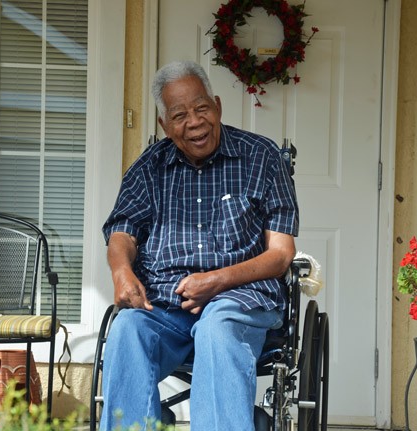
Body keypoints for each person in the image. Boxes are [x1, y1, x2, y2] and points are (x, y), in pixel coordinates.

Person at [100, 60, 299, 431]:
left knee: (216, 327)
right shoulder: (149, 168)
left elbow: (281, 254)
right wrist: (122, 271)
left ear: (218, 106)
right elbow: (122, 231)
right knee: (127, 328)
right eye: (179, 115)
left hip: (240, 298)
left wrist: (218, 281)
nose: (194, 122)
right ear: (164, 125)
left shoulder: (262, 158)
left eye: (201, 108)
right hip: (164, 301)